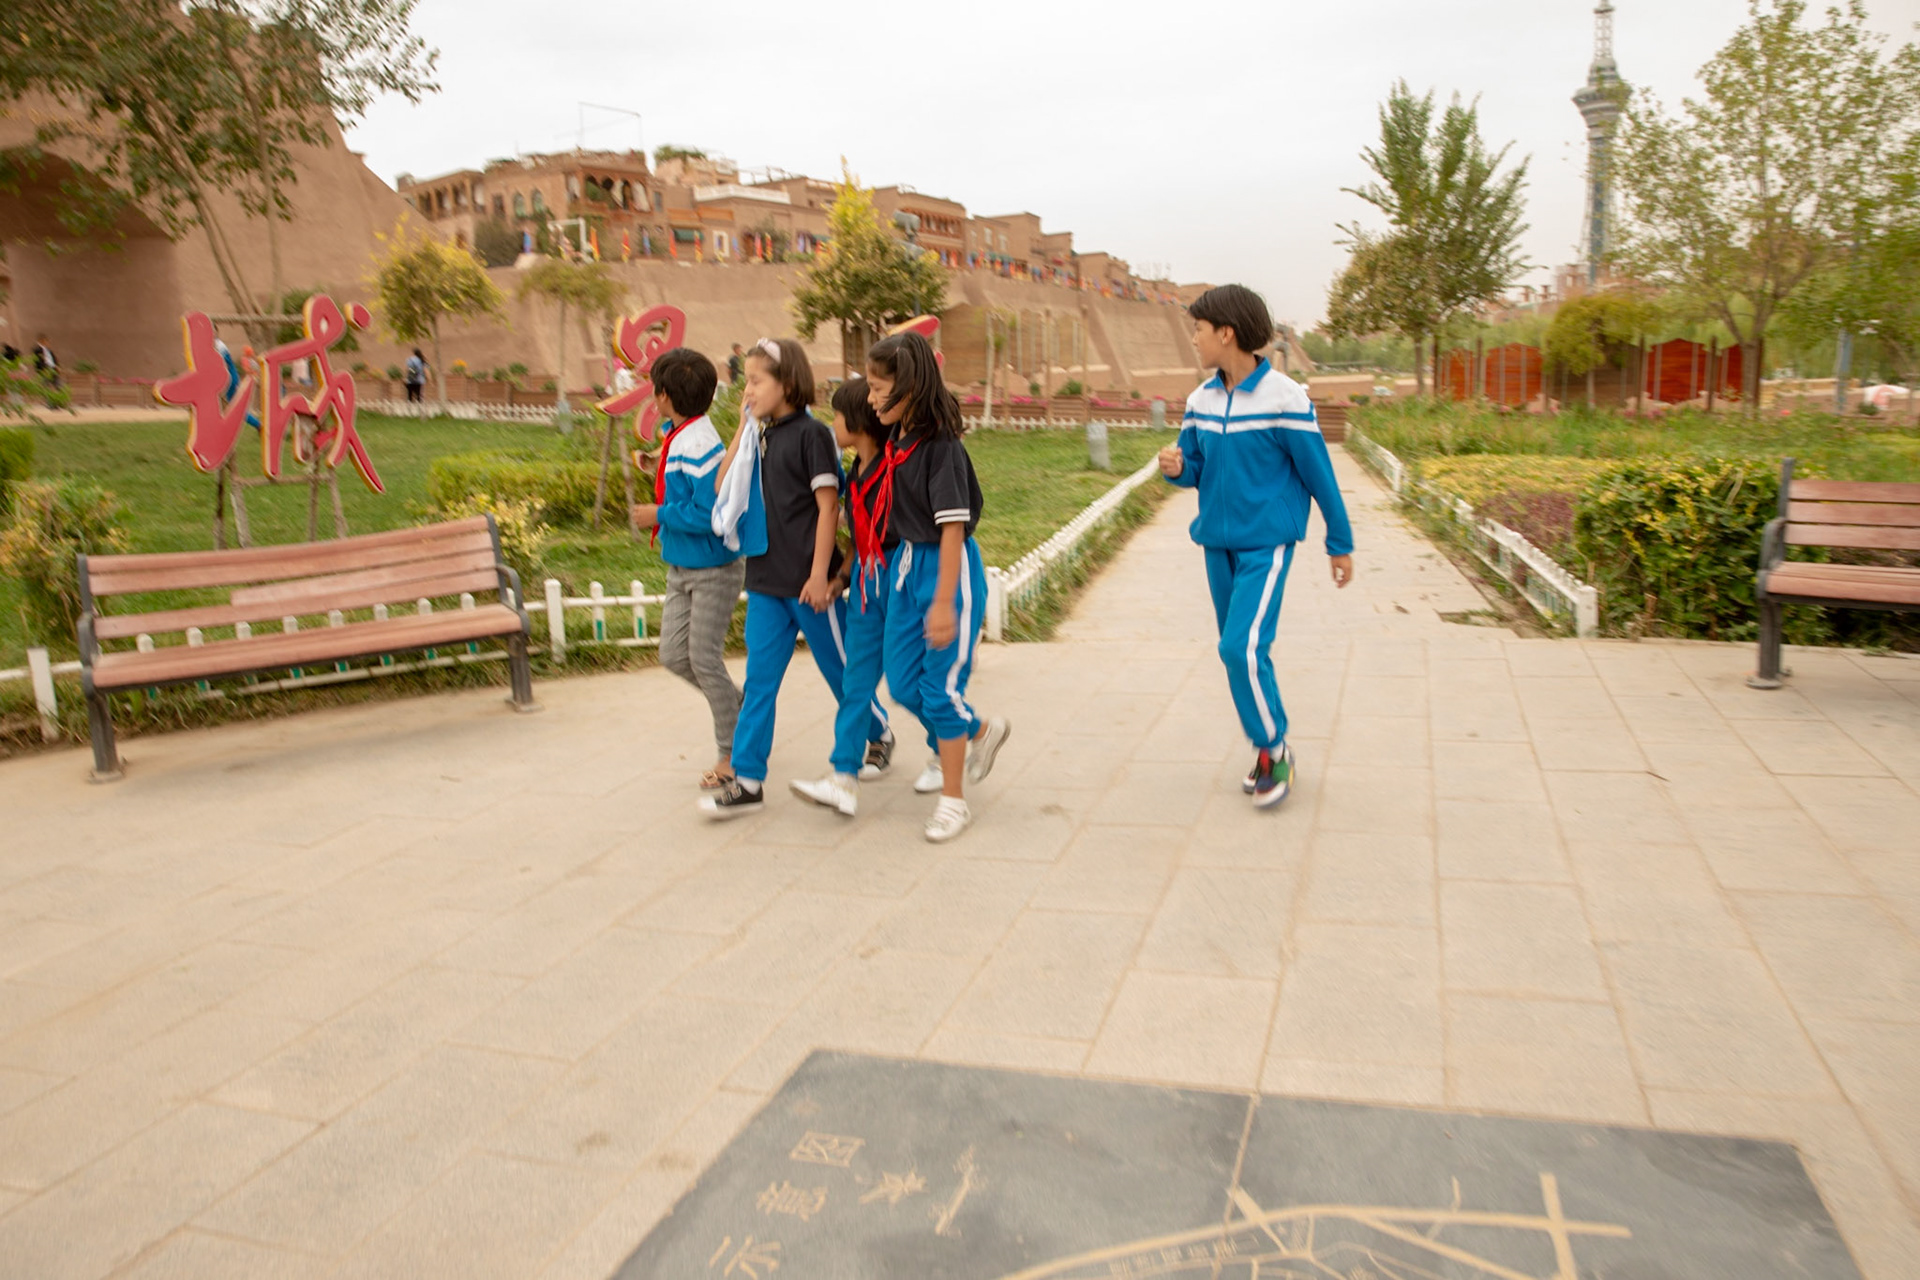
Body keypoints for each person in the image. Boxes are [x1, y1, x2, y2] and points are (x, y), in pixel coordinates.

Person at [1157, 285, 1354, 808]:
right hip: (1216, 546)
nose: (1194, 339)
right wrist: (1179, 470)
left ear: (1227, 332)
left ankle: (1275, 747)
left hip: (1266, 546)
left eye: (1198, 329)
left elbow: (1319, 473)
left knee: (1237, 648)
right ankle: (1268, 750)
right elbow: (1196, 469)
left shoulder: (1285, 398)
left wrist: (1340, 541)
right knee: (1243, 653)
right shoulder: (1200, 400)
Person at [700, 337, 888, 819]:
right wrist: (743, 428)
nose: (748, 390)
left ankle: (878, 732)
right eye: (746, 382)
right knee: (760, 681)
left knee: (842, 674)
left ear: (787, 383)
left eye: (757, 381)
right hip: (765, 582)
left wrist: (820, 576)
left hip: (810, 586)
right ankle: (747, 780)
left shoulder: (813, 436)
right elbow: (722, 487)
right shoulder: (757, 436)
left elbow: (829, 508)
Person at [863, 330, 1009, 843]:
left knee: (939, 691)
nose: (871, 397)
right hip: (908, 567)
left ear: (910, 387)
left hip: (948, 572)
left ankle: (954, 801)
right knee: (902, 683)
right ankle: (981, 731)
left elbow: (952, 528)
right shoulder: (899, 438)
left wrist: (944, 601)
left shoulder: (940, 448)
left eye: (880, 387)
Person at [788, 378, 908, 817]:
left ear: (858, 422)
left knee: (908, 682)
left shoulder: (896, 468)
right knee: (855, 682)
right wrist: (842, 576)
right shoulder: (855, 471)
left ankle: (955, 739)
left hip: (898, 579)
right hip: (864, 583)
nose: (830, 423)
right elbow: (860, 535)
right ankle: (843, 777)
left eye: (836, 415)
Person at [631, 347, 746, 791]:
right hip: (682, 567)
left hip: (713, 568)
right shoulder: (681, 433)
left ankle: (732, 753)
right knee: (674, 655)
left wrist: (658, 514)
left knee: (702, 658)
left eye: (655, 391)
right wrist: (653, 468)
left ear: (663, 395)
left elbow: (710, 514)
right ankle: (741, 708)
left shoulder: (699, 444)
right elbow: (682, 484)